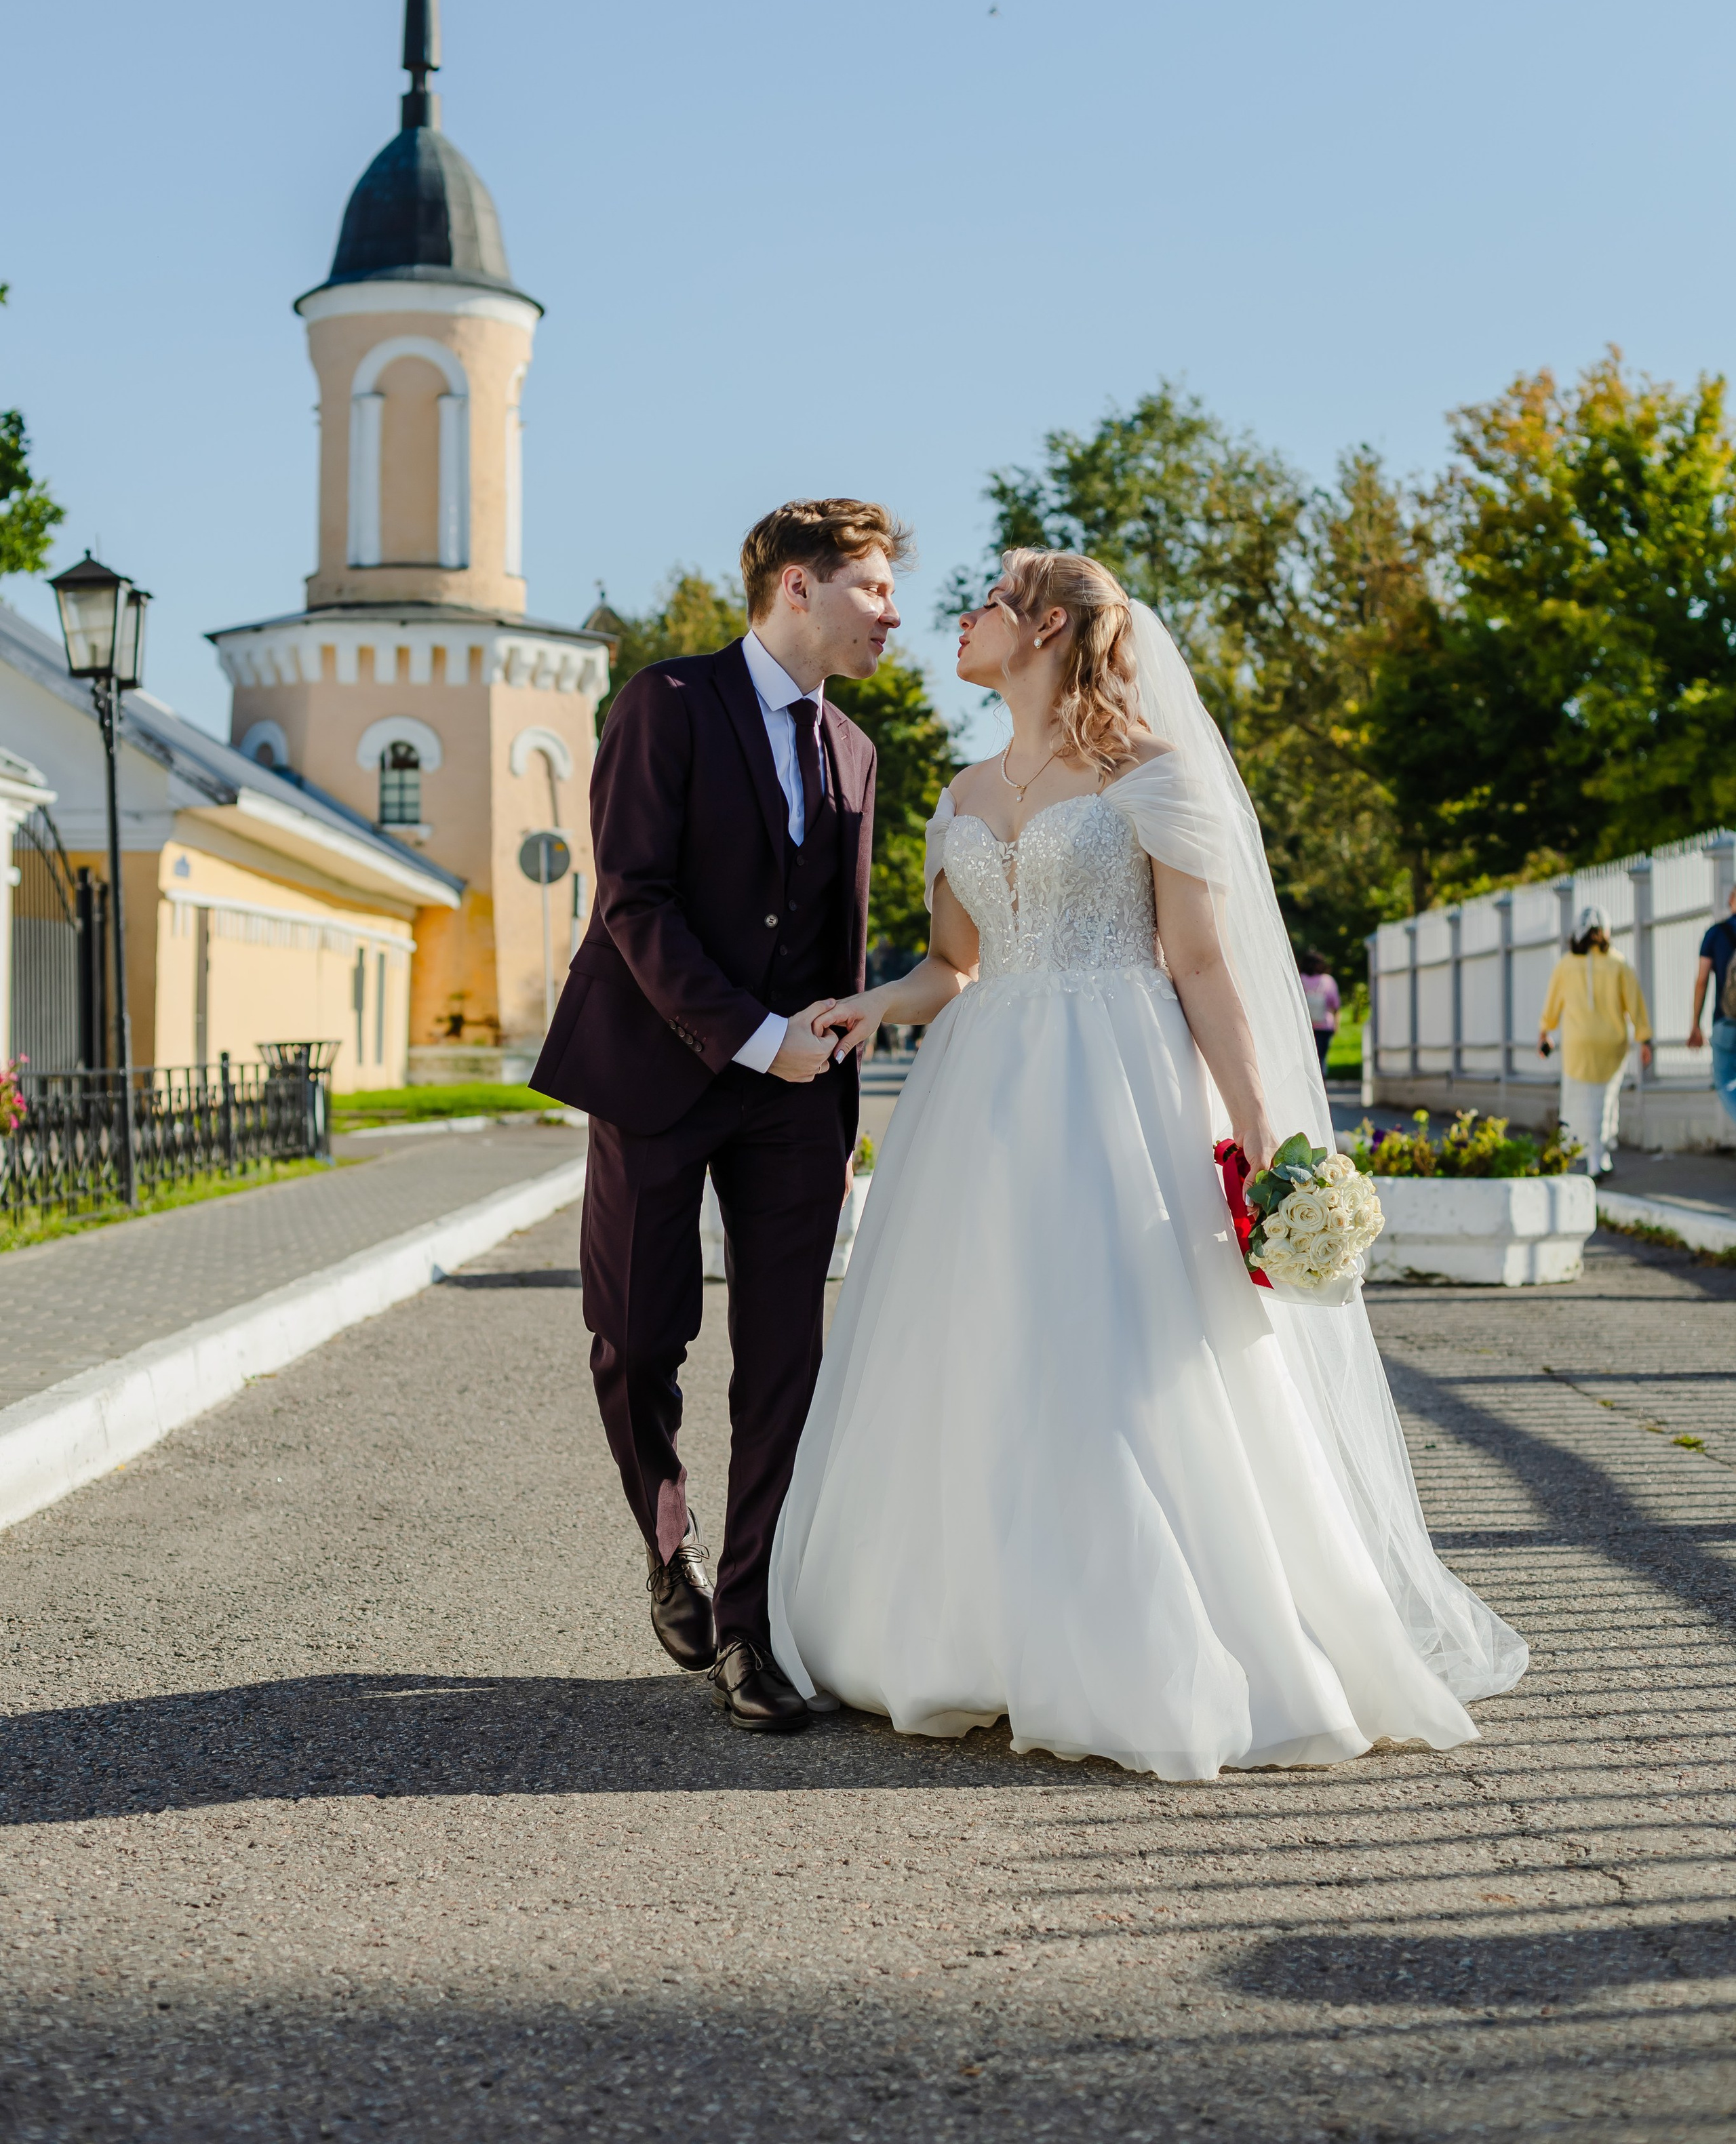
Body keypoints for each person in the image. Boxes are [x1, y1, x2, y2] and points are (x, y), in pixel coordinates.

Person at [768, 551, 1527, 1780]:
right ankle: (976, 1632)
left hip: (1122, 1084)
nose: (957, 621)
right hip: (982, 1095)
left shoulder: (1153, 778)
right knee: (988, 1343)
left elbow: (1205, 967)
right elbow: (952, 965)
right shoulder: (957, 791)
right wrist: (868, 1004)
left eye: (988, 604)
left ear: (1050, 627)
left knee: (1119, 1347)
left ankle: (1148, 1644)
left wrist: (1272, 1140)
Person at [532, 500, 903, 1734]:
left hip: (799, 1104)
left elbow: (835, 937)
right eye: (873, 587)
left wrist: (831, 1084)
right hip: (660, 1069)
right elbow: (635, 902)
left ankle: (747, 1624)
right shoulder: (667, 704)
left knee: (785, 1356)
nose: (892, 611)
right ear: (798, 587)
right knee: (638, 1337)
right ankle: (668, 1538)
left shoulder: (853, 751)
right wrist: (753, 1035)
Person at [1537, 907, 1651, 1178]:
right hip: (1612, 1044)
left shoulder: (1566, 965)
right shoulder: (1619, 963)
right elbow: (1635, 1004)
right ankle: (1600, 1158)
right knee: (1605, 1099)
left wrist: (1545, 1032)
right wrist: (1644, 1038)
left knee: (1578, 1098)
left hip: (1577, 1044)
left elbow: (1552, 1004)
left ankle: (1585, 1156)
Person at [1686, 882, 1736, 1130]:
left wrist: (1695, 1024)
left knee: (1726, 1082)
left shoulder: (1715, 934)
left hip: (1726, 1022)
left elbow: (1702, 981)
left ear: (1731, 899)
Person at [1298, 950, 1341, 1073]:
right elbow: (1335, 1005)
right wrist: (1336, 1025)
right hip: (1324, 1025)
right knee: (1321, 1058)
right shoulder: (1328, 981)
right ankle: (1321, 1084)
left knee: (1305, 1059)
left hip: (1304, 1025)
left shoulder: (1300, 979)